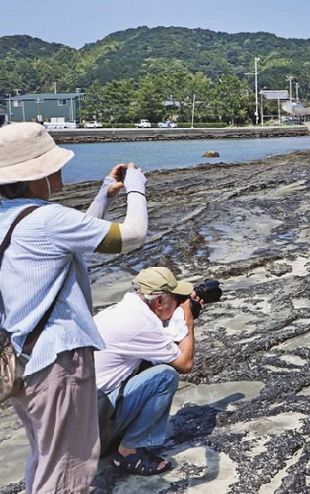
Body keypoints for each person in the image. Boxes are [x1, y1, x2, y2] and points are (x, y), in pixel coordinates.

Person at [0, 122, 148, 493]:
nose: (59, 171)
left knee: (45, 455)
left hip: (19, 358)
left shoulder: (12, 217)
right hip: (58, 358)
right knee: (70, 466)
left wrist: (103, 195)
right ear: (36, 175)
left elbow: (74, 237)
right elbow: (132, 236)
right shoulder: (48, 220)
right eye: (53, 166)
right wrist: (136, 190)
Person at [93, 267, 200, 476]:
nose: (178, 304)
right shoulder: (141, 325)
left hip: (75, 421)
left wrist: (180, 313)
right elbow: (185, 364)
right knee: (165, 377)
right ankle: (128, 452)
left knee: (147, 364)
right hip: (90, 427)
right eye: (175, 299)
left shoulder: (121, 312)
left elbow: (162, 339)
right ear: (159, 302)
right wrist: (188, 319)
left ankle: (114, 438)